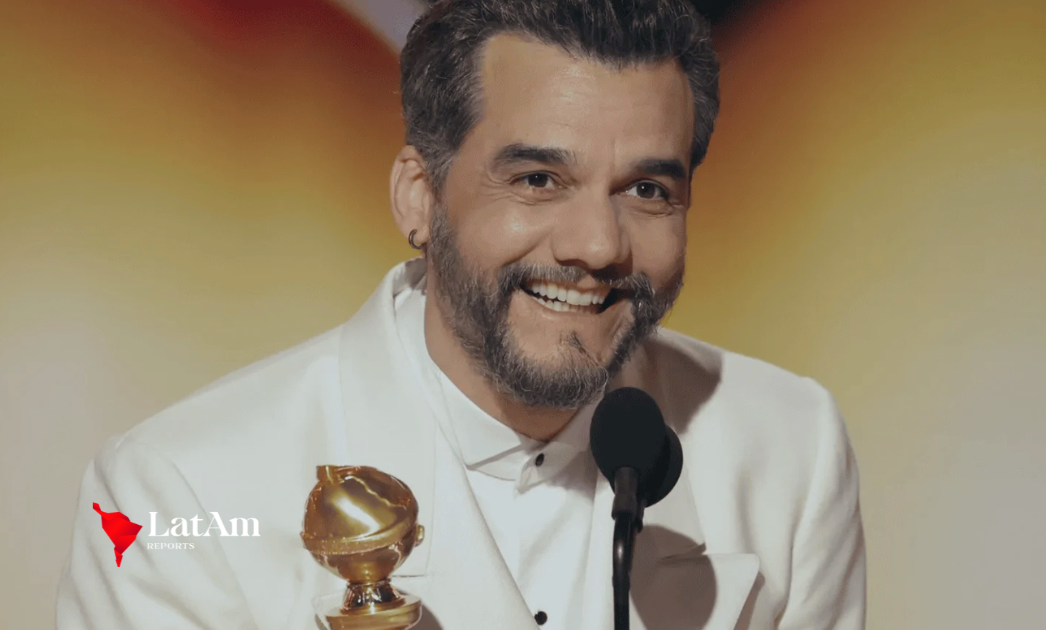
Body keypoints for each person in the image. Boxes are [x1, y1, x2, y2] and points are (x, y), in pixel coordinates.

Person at [57, 1, 866, 628]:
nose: (597, 245)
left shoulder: (793, 449)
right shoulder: (177, 495)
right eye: (538, 180)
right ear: (419, 197)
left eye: (647, 190)